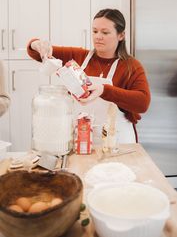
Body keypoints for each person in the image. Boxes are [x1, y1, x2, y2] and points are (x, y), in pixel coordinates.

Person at [27, 8, 150, 144]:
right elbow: (36, 52)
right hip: (82, 139)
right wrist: (36, 44)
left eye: (105, 32)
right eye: (95, 31)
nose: (98, 36)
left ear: (121, 35)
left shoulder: (131, 67)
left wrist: (105, 90)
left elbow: (143, 103)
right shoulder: (78, 56)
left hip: (118, 142)